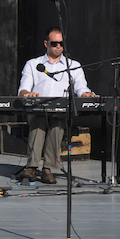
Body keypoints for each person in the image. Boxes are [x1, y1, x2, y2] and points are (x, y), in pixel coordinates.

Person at [18, 27, 96, 184]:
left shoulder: (73, 65)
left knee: (57, 123)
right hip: (37, 110)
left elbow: (81, 87)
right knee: (39, 121)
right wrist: (27, 93)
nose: (58, 46)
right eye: (54, 43)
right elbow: (23, 89)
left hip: (60, 111)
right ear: (46, 44)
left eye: (61, 43)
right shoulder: (33, 64)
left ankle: (47, 168)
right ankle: (31, 167)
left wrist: (86, 94)